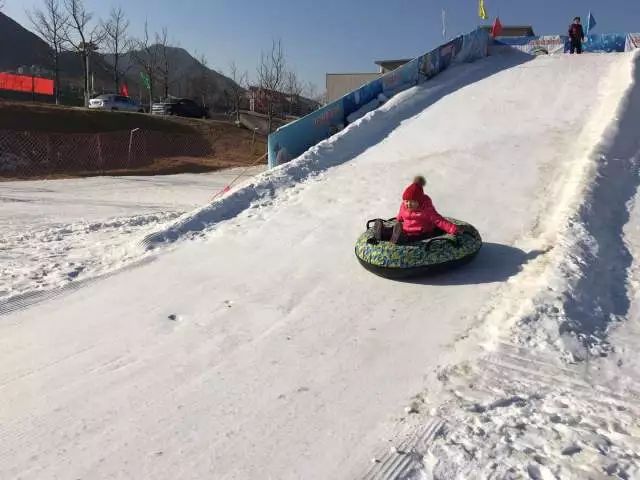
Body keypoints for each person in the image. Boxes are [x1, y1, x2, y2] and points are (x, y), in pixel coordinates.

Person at [373, 176, 460, 244]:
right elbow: (400, 216)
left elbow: (439, 221)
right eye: (406, 201)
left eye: (412, 202)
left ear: (419, 202)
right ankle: (382, 232)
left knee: (413, 238)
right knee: (394, 229)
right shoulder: (404, 206)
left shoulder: (427, 210)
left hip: (421, 232)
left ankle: (401, 239)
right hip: (405, 229)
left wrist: (452, 229)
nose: (408, 204)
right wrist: (398, 219)